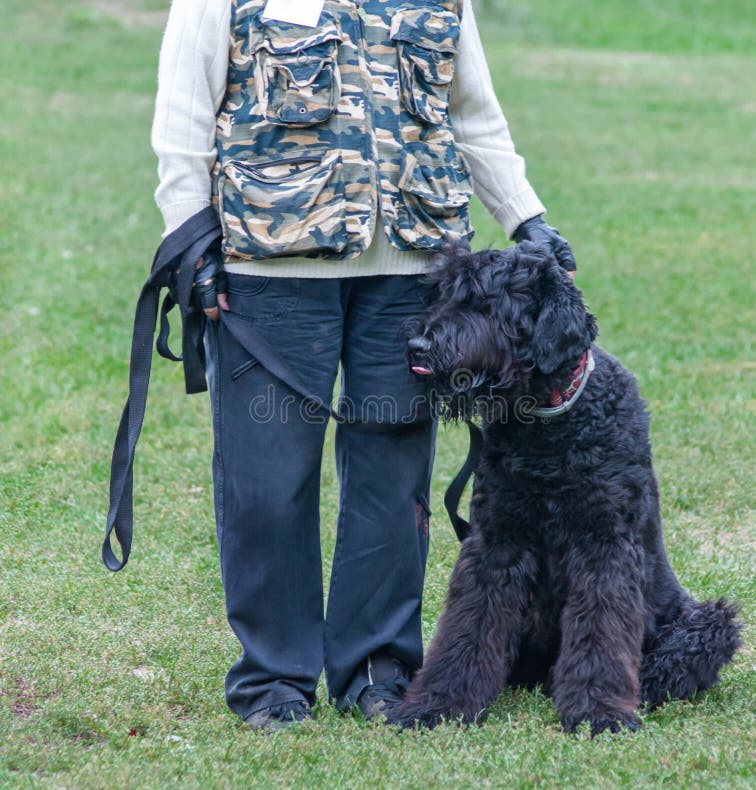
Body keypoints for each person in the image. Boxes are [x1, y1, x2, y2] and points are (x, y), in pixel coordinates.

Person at [151, 0, 576, 732]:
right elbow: (184, 105)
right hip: (270, 269)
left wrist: (527, 216)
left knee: (392, 478)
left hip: (414, 270)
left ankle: (378, 672)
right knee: (267, 482)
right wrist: (189, 231)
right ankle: (274, 683)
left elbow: (469, 112)